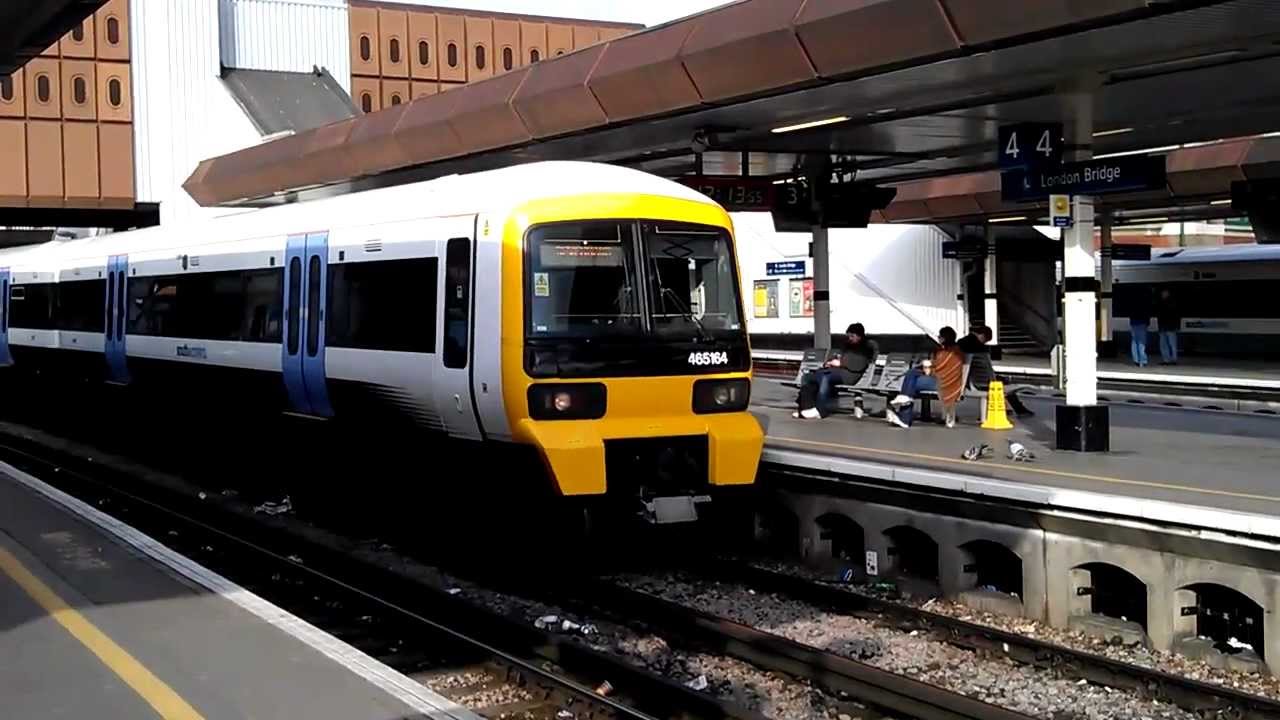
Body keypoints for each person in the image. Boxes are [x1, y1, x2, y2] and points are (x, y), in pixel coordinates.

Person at [885, 327, 966, 428]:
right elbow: (936, 365)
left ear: (945, 338)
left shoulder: (953, 352)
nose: (938, 339)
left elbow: (941, 367)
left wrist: (928, 367)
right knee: (912, 377)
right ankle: (904, 407)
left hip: (944, 383)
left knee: (911, 381)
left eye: (940, 336)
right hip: (940, 379)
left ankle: (905, 416)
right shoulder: (946, 350)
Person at [794, 323, 878, 419]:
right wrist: (829, 362)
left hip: (850, 375)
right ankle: (805, 408)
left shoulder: (866, 348)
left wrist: (840, 363)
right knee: (809, 377)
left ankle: (820, 410)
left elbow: (860, 363)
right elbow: (838, 355)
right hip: (838, 371)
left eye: (852, 336)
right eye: (849, 336)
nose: (850, 338)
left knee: (825, 378)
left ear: (859, 336)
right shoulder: (848, 345)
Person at [956, 324, 1034, 418]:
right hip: (979, 381)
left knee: (1001, 380)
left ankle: (1007, 407)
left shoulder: (960, 342)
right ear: (982, 336)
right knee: (1004, 382)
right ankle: (1019, 410)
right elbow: (988, 370)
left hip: (966, 377)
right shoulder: (980, 347)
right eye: (985, 340)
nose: (984, 343)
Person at [1128, 286, 1152, 367]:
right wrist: (1148, 323)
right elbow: (1147, 313)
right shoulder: (1145, 302)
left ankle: (1136, 360)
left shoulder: (1131, 302)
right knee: (1142, 342)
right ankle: (1143, 361)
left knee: (1134, 341)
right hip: (1142, 323)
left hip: (1133, 323)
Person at [1155, 288, 1179, 365]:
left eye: (1164, 293)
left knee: (1168, 344)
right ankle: (1169, 359)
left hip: (1168, 326)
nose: (1163, 295)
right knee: (1167, 344)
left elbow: (1175, 315)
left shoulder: (1169, 303)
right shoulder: (1168, 303)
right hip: (1166, 326)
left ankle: (1170, 359)